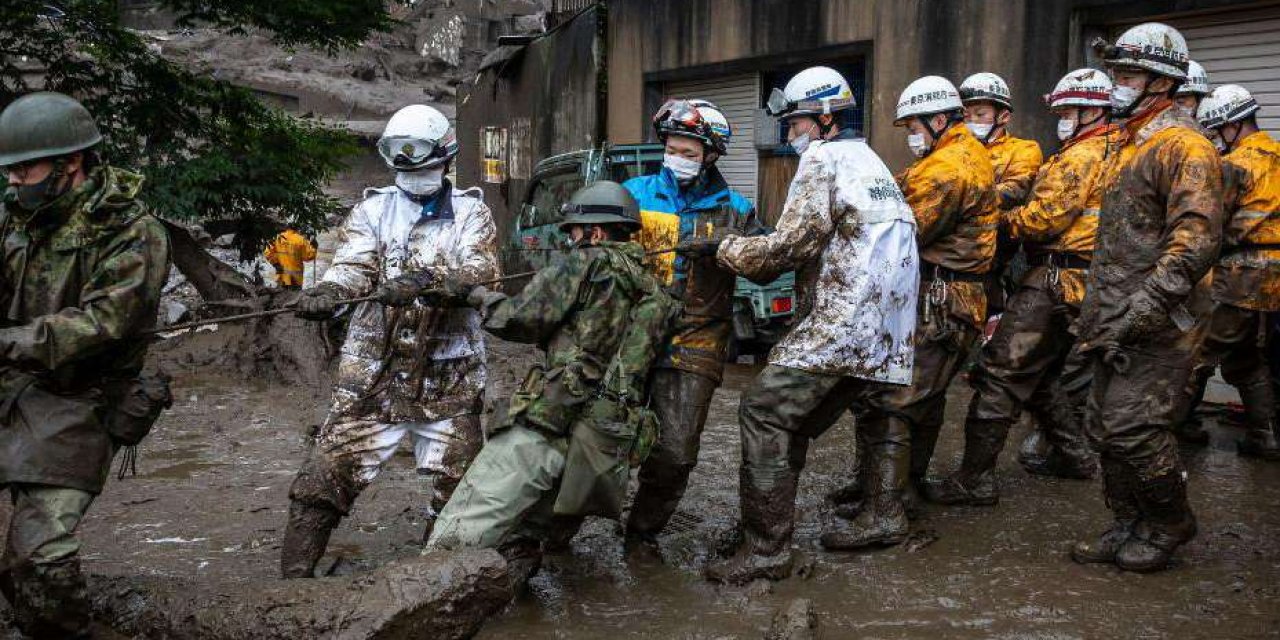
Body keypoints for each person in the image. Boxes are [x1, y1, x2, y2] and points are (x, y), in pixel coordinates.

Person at [698, 66, 919, 583]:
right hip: (888, 330)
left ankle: (767, 547)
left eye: (795, 122)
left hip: (846, 320)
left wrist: (726, 249)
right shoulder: (872, 162)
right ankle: (876, 514)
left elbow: (791, 246)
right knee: (845, 414)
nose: (790, 133)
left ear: (824, 117)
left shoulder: (823, 159)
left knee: (764, 410)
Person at [281, 104, 500, 578]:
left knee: (461, 490)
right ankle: (292, 585)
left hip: (449, 378)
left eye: (422, 164)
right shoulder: (371, 209)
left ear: (444, 158)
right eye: (403, 164)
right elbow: (353, 265)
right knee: (323, 477)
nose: (413, 173)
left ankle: (436, 579)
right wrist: (329, 291)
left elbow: (479, 271)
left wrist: (425, 279)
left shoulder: (472, 213)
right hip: (371, 378)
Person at [426, 181, 676, 580]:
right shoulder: (657, 293)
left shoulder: (585, 262)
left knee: (460, 531)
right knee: (525, 535)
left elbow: (520, 318)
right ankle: (510, 603)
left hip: (551, 421)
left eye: (573, 232)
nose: (571, 240)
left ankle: (421, 603)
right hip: (602, 443)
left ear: (594, 232)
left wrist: (472, 294)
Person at [0, 92, 172, 637]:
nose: (11, 182)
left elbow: (103, 325)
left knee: (38, 558)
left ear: (69, 163)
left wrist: (5, 341)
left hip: (81, 399)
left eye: (22, 170)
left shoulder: (131, 233)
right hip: (10, 383)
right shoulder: (17, 217)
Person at [926, 69, 1121, 505]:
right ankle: (1074, 457)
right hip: (1086, 277)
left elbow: (1040, 218)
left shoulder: (1078, 157)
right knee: (1042, 373)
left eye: (1069, 111)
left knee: (999, 371)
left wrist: (985, 221)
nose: (1062, 120)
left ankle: (974, 478)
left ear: (1092, 112)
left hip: (1055, 278)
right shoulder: (1115, 151)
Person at [1072, 23, 1223, 573]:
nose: (1118, 83)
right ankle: (1127, 522)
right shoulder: (1134, 143)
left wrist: (1148, 305)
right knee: (1102, 426)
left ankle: (1168, 522)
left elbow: (1196, 238)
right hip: (1116, 315)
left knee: (1134, 427)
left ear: (1161, 82)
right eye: (1116, 73)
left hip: (1159, 319)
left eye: (1129, 74)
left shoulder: (1185, 147)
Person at [828, 75, 996, 523]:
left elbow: (902, 227)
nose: (910, 136)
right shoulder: (953, 155)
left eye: (913, 127)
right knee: (926, 398)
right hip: (951, 297)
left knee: (894, 400)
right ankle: (895, 488)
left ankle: (883, 512)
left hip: (943, 299)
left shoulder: (949, 167)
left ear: (939, 119)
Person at [621, 98, 761, 549]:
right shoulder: (634, 193)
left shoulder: (736, 209)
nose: (678, 159)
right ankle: (561, 529)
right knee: (600, 433)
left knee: (676, 452)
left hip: (697, 338)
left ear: (711, 156)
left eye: (689, 152)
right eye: (672, 149)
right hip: (630, 330)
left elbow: (771, 265)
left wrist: (728, 247)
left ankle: (641, 534)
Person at [1180, 84, 1280, 460]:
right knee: (1247, 358)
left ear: (1231, 125)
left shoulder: (1235, 165)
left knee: (1198, 352)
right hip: (1272, 279)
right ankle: (1264, 436)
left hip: (1240, 272)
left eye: (1217, 132)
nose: (1216, 140)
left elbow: (1211, 222)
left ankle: (1163, 431)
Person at [960, 72, 1044, 318]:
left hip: (998, 260)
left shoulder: (1023, 150)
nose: (971, 120)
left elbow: (1015, 189)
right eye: (965, 115)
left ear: (1004, 116)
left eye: (980, 114)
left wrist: (961, 203)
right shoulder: (952, 152)